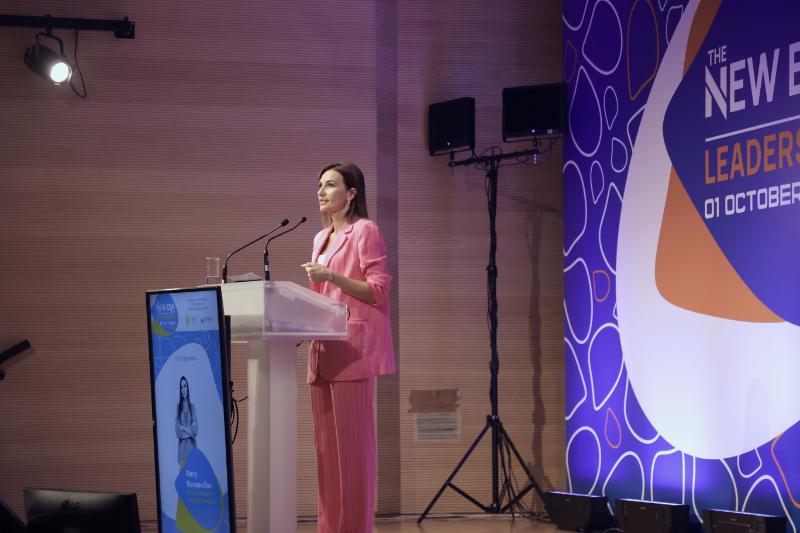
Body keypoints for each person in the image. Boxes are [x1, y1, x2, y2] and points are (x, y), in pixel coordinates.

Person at [301, 162, 395, 533]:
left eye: (330, 185)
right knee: (327, 455)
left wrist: (332, 276)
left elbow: (379, 289)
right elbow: (317, 297)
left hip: (353, 351)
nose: (321, 191)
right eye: (319, 185)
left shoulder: (365, 230)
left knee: (353, 455)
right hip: (323, 351)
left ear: (351, 193)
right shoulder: (320, 238)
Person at [175, 376, 198, 466]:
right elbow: (177, 432)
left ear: (187, 387)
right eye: (181, 387)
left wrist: (183, 428)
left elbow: (195, 430)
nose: (183, 389)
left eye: (185, 386)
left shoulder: (192, 407)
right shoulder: (178, 407)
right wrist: (189, 431)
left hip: (192, 452)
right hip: (182, 454)